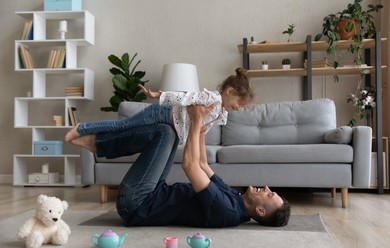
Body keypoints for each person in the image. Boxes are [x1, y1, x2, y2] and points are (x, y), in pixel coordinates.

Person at [71, 103, 291, 227]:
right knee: (171, 131)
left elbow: (190, 166)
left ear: (260, 210)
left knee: (163, 132)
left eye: (270, 195)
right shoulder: (235, 198)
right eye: (272, 191)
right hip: (153, 193)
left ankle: (99, 144)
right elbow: (203, 164)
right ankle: (101, 145)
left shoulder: (226, 210)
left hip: (137, 204)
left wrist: (195, 122)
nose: (267, 188)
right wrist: (203, 128)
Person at [64, 68, 254, 145]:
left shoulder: (221, 112)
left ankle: (94, 140)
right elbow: (185, 96)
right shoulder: (210, 97)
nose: (239, 107)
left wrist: (201, 128)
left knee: (131, 135)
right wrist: (158, 94)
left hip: (168, 124)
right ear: (229, 92)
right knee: (122, 126)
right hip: (160, 114)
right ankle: (83, 127)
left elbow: (203, 123)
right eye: (240, 102)